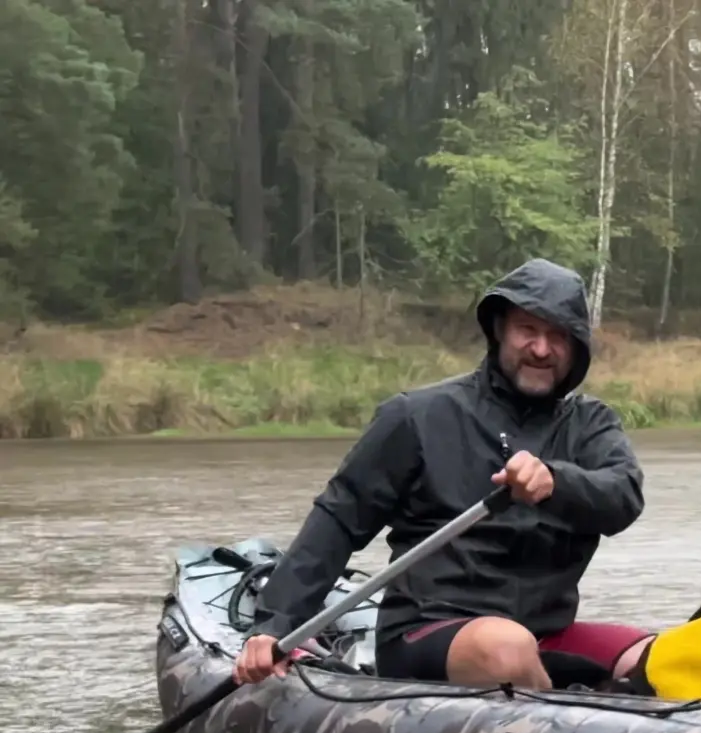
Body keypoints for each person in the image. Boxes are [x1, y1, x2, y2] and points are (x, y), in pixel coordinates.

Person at [233, 257, 649, 691]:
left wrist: (556, 482)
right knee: (506, 647)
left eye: (557, 336)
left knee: (679, 654)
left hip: (546, 633)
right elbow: (338, 519)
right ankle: (569, 731)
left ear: (576, 346)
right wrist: (275, 623)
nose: (542, 349)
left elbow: (622, 497)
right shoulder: (415, 416)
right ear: (500, 331)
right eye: (528, 330)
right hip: (428, 630)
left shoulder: (591, 424)